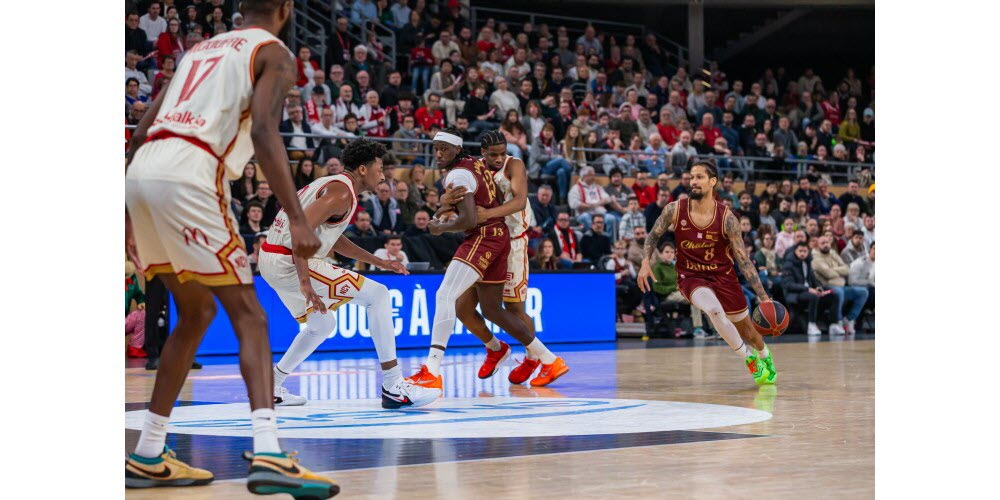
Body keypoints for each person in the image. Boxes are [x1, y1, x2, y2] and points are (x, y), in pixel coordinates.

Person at [123, 1, 338, 495]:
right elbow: (264, 130)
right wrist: (299, 218)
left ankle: (149, 453)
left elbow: (140, 128)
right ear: (284, 9)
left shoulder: (199, 50)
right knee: (251, 318)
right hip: (192, 174)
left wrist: (127, 207)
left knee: (196, 313)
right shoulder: (274, 52)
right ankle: (269, 453)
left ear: (241, 8)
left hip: (143, 171)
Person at [260, 138, 438, 407]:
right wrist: (305, 282)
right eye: (379, 168)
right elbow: (300, 232)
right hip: (289, 260)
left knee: (322, 324)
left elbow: (332, 238)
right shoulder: (341, 193)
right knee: (378, 295)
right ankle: (393, 386)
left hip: (273, 257)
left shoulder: (334, 187)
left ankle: (272, 385)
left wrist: (380, 262)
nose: (383, 174)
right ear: (363, 170)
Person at [406, 128, 563, 390]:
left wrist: (450, 224)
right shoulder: (475, 166)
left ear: (457, 149)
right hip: (497, 237)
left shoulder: (512, 165)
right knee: (476, 308)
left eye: (444, 148)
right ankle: (508, 350)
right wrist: (446, 202)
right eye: (436, 149)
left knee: (506, 307)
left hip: (505, 239)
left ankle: (532, 357)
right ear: (481, 153)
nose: (499, 158)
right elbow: (466, 201)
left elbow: (516, 202)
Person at [638, 161, 777, 385]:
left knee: (749, 332)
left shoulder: (727, 218)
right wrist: (645, 261)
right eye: (691, 177)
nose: (693, 181)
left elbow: (743, 260)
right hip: (690, 277)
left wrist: (763, 297)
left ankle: (763, 354)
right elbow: (653, 235)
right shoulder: (675, 209)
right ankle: (749, 360)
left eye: (700, 177)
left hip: (723, 276)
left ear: (712, 182)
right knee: (713, 310)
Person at [811, 235, 869, 334]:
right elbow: (828, 274)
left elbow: (847, 269)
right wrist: (839, 271)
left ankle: (848, 319)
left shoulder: (833, 253)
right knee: (838, 292)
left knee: (863, 292)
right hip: (826, 289)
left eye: (827, 242)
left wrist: (834, 271)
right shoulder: (815, 258)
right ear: (817, 246)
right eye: (822, 243)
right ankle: (837, 322)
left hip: (841, 286)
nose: (825, 245)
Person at [649, 243, 706, 337]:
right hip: (668, 295)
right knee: (694, 298)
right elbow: (657, 288)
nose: (670, 254)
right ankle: (698, 329)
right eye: (667, 252)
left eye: (672, 252)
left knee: (703, 297)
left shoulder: (676, 267)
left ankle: (714, 329)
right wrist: (674, 288)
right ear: (661, 254)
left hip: (680, 292)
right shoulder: (657, 268)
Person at [782, 242, 838, 335]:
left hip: (809, 291)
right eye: (800, 251)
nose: (802, 253)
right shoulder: (788, 264)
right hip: (794, 294)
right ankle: (811, 325)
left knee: (833, 295)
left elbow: (813, 279)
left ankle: (834, 324)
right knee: (813, 296)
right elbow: (788, 284)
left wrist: (819, 288)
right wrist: (807, 289)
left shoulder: (808, 262)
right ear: (795, 251)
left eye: (805, 251)